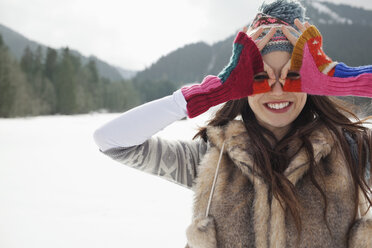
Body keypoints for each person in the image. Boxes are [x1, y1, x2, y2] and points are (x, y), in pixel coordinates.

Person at [93, 0, 372, 247]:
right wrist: (212, 92)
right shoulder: (211, 160)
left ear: (313, 83)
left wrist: (344, 79)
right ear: (242, 83)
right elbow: (111, 140)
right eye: (261, 76)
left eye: (292, 76)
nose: (277, 90)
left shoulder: (353, 153)